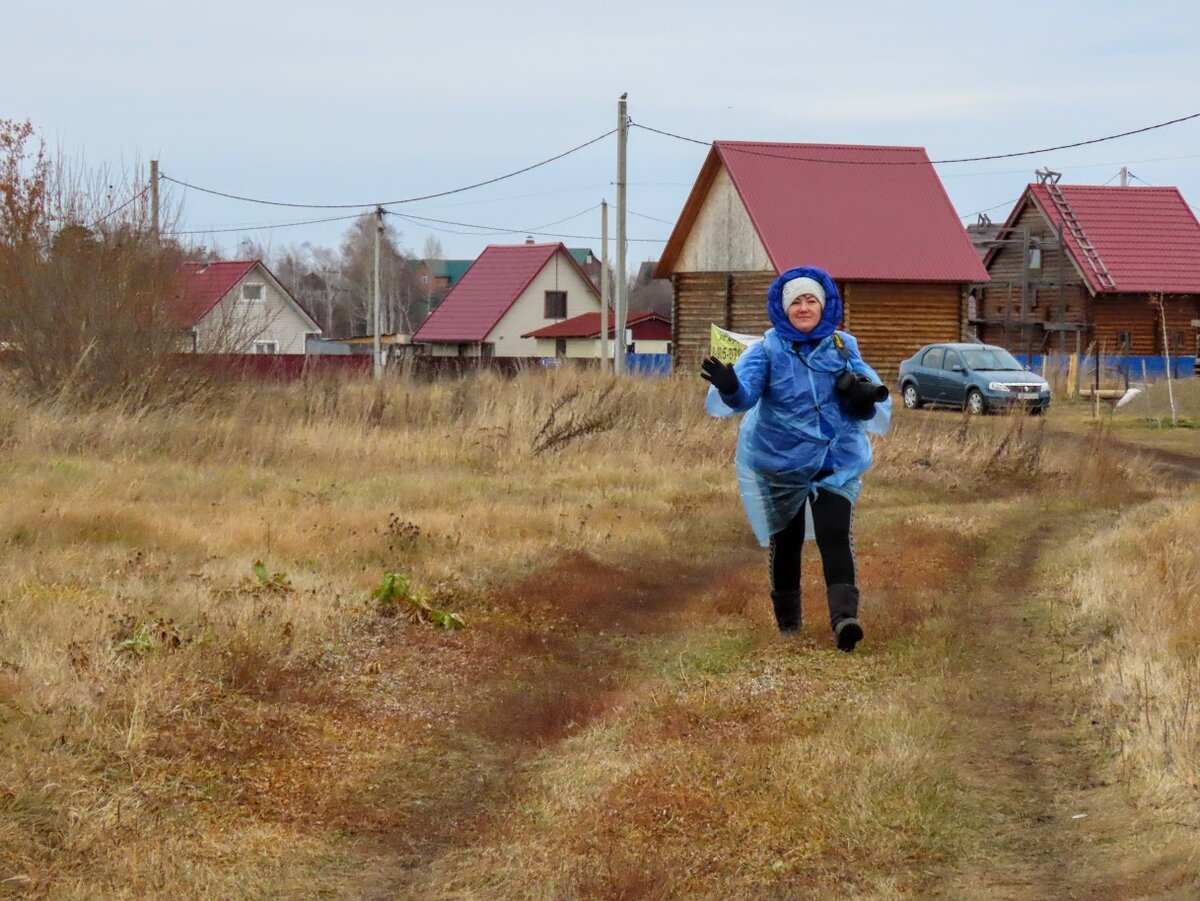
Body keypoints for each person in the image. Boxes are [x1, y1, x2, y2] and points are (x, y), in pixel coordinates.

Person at [700, 266, 891, 652]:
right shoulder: (768, 350)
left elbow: (870, 399)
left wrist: (863, 398)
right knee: (786, 542)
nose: (804, 308)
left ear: (824, 306)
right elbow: (746, 395)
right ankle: (789, 625)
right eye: (796, 302)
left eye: (811, 301)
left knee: (834, 536)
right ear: (784, 309)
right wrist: (731, 386)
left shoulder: (842, 346)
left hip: (834, 462)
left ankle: (844, 622)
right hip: (780, 462)